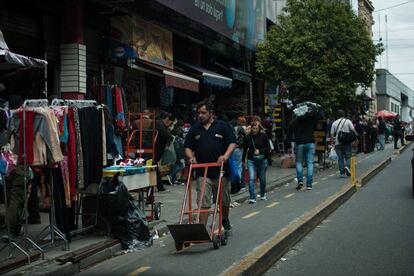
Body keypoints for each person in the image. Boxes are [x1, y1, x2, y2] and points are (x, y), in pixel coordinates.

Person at [184, 102, 237, 231]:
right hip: (203, 171)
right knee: (203, 201)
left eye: (203, 113)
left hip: (221, 171)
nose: (200, 116)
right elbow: (187, 147)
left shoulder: (222, 126)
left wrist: (225, 156)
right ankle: (201, 229)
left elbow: (232, 143)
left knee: (224, 200)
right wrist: (191, 157)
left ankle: (224, 219)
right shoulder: (194, 129)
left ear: (210, 113)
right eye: (199, 113)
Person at [288, 115, 318, 190]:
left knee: (299, 162)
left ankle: (300, 180)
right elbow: (315, 129)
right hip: (310, 143)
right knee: (310, 163)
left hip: (299, 143)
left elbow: (289, 135)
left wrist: (289, 145)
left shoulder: (294, 122)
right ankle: (309, 184)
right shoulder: (310, 120)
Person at [244, 121, 270, 203]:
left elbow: (268, 148)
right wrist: (242, 160)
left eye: (256, 128)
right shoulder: (248, 137)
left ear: (259, 129)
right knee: (251, 178)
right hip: (251, 159)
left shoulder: (263, 136)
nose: (255, 130)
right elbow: (245, 149)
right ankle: (252, 197)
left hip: (262, 159)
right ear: (251, 128)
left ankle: (262, 194)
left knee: (262, 178)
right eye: (253, 128)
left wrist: (260, 151)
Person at [330, 110, 357, 178]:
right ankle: (347, 167)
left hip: (337, 143)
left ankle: (342, 173)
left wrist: (332, 143)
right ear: (344, 114)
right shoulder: (348, 121)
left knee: (340, 158)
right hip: (347, 142)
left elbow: (332, 134)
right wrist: (355, 139)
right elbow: (353, 130)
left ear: (337, 115)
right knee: (348, 156)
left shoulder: (334, 123)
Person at [155, 112, 175, 191]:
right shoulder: (159, 124)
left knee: (154, 166)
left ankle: (160, 186)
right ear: (167, 119)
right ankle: (160, 186)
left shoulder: (160, 125)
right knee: (154, 166)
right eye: (171, 123)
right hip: (154, 149)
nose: (170, 125)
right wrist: (171, 136)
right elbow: (166, 135)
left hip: (157, 149)